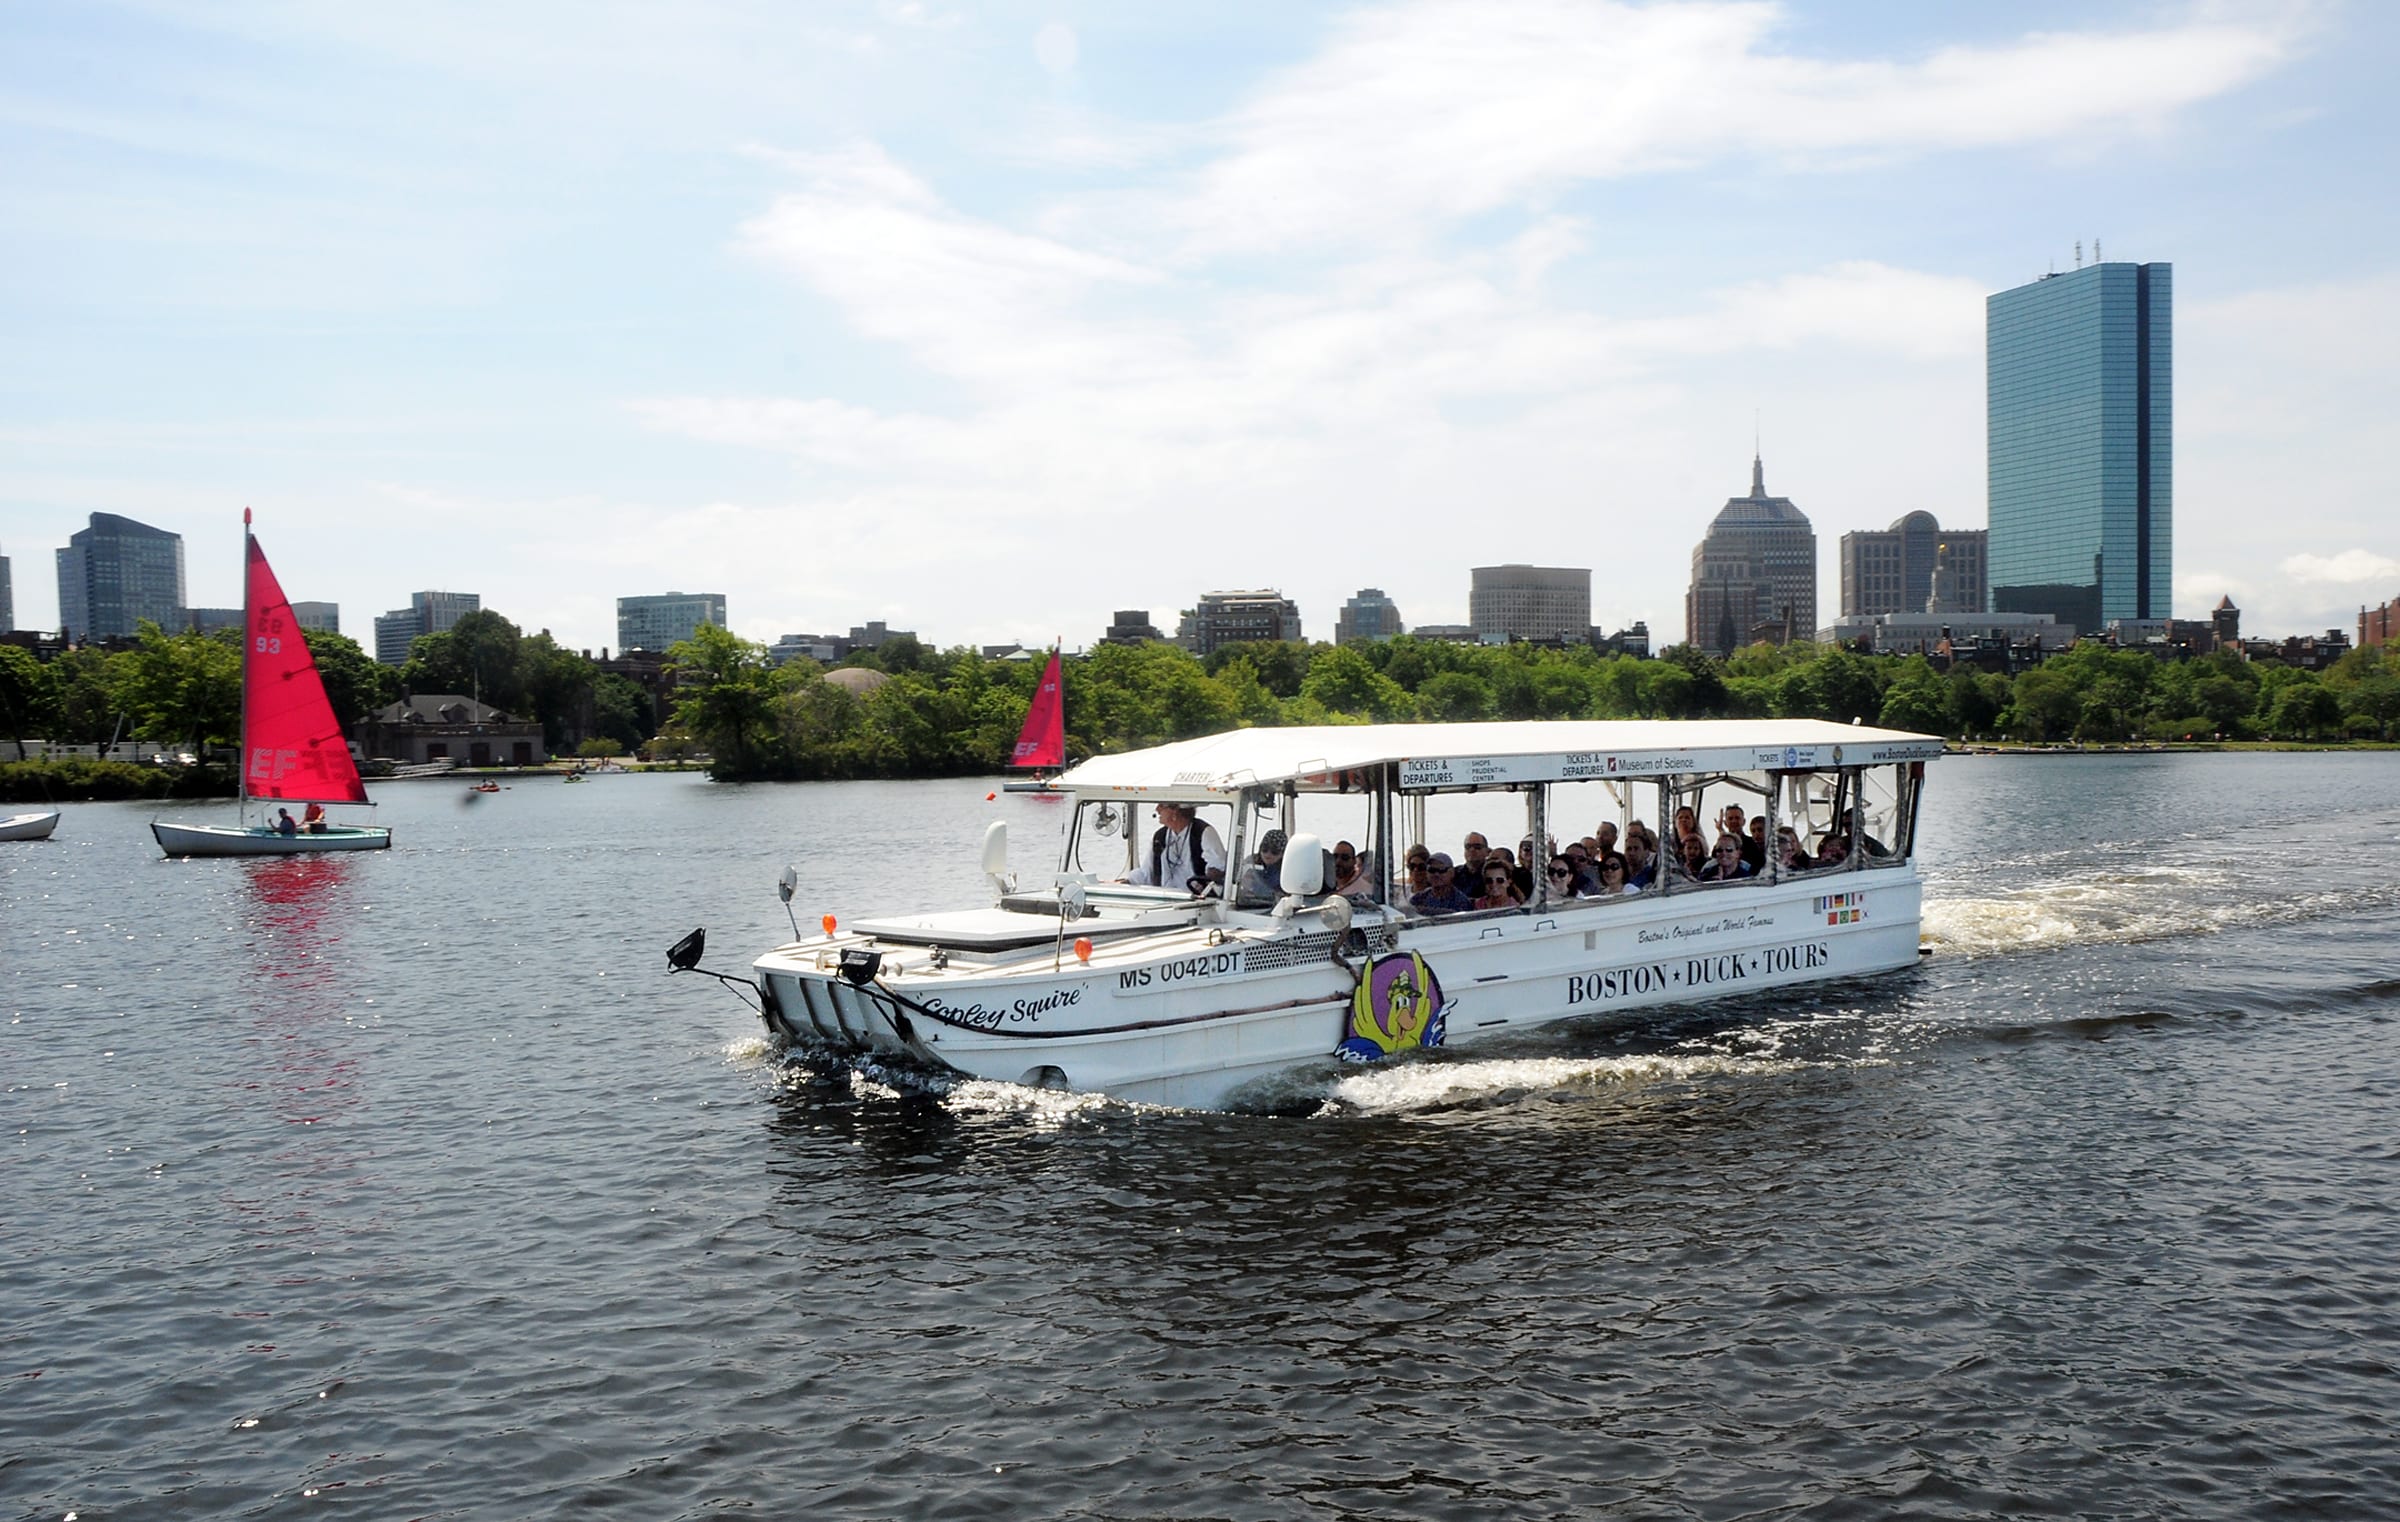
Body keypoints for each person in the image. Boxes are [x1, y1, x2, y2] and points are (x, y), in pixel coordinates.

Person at [1125, 802, 1226, 894]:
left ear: (1175, 811)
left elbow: (1219, 866)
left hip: (1195, 901)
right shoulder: (1160, 836)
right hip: (1165, 899)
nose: (1157, 809)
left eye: (1162, 805)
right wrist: (1126, 882)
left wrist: (1209, 878)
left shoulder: (1203, 832)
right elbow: (1146, 873)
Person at [1410, 852, 1475, 916]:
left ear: (1452, 873)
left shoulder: (1461, 902)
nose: (1436, 874)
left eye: (1441, 870)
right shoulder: (1418, 899)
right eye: (1431, 870)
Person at [1236, 829, 1288, 904]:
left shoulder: (1287, 870)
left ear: (1283, 853)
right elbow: (1238, 886)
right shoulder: (1250, 862)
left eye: (1274, 851)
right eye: (1265, 849)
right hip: (1247, 905)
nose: (1268, 854)